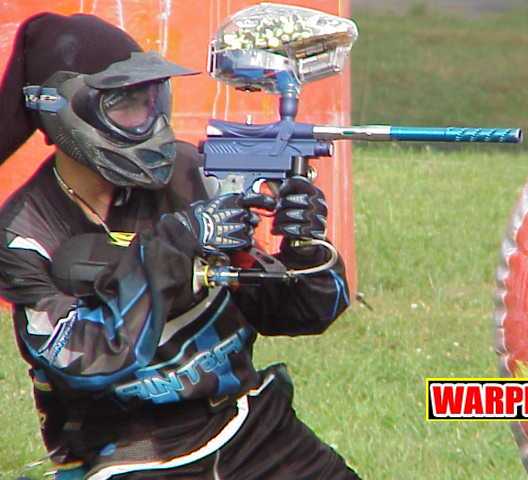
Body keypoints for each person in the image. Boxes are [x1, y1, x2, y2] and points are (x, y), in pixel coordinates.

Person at [0, 12, 356, 480]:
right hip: (129, 454)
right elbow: (83, 360)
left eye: (151, 101)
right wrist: (174, 246)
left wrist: (304, 247)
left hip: (245, 428)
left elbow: (300, 313)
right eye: (125, 105)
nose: (150, 121)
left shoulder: (188, 176)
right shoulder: (24, 235)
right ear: (65, 111)